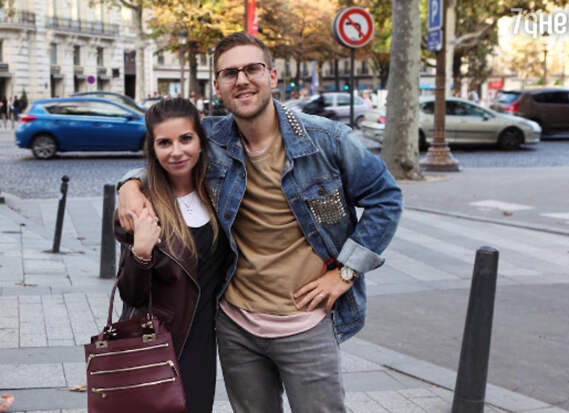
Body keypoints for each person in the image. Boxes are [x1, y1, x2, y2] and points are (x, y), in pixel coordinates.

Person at [117, 32, 402, 413]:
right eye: (230, 73)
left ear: (272, 75)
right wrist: (130, 185)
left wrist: (346, 272)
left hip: (306, 323)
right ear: (217, 84)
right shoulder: (213, 139)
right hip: (237, 327)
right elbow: (169, 155)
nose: (242, 80)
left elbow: (386, 197)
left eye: (252, 69)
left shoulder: (325, 139)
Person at [115, 98, 228, 413]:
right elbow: (131, 294)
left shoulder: (219, 193)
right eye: (164, 143)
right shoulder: (141, 205)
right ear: (153, 149)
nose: (176, 151)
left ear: (201, 142)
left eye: (186, 139)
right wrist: (141, 253)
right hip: (156, 341)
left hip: (202, 340)